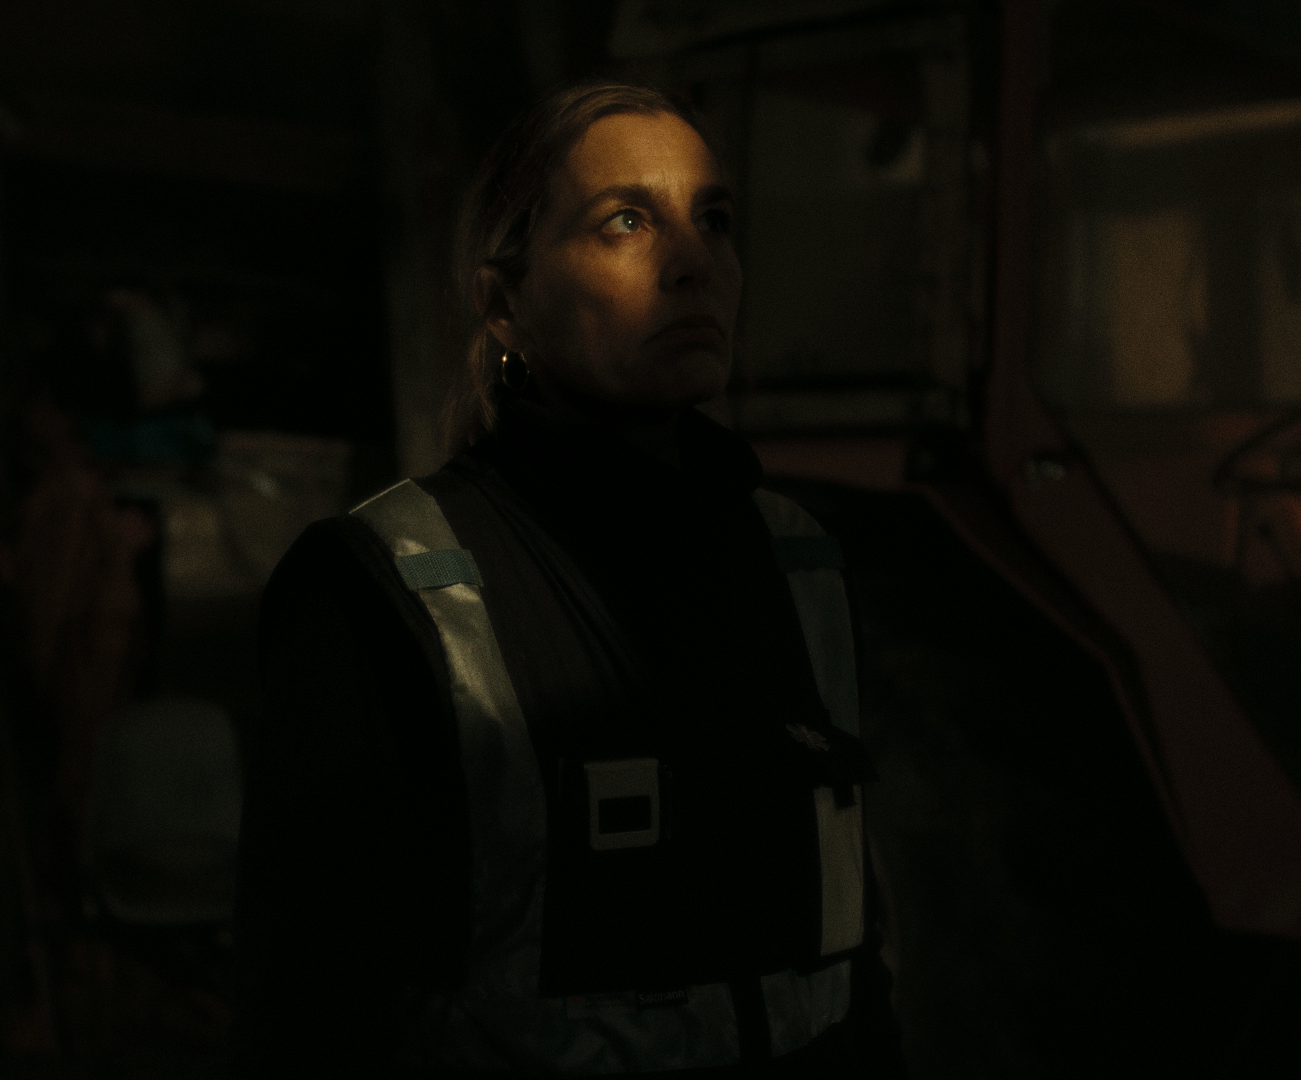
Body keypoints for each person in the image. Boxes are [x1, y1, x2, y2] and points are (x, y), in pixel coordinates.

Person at [234, 82, 905, 1077]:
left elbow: (851, 956)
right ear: (503, 304)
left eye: (714, 219)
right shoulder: (382, 587)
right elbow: (306, 1010)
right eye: (625, 221)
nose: (694, 260)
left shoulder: (796, 558)